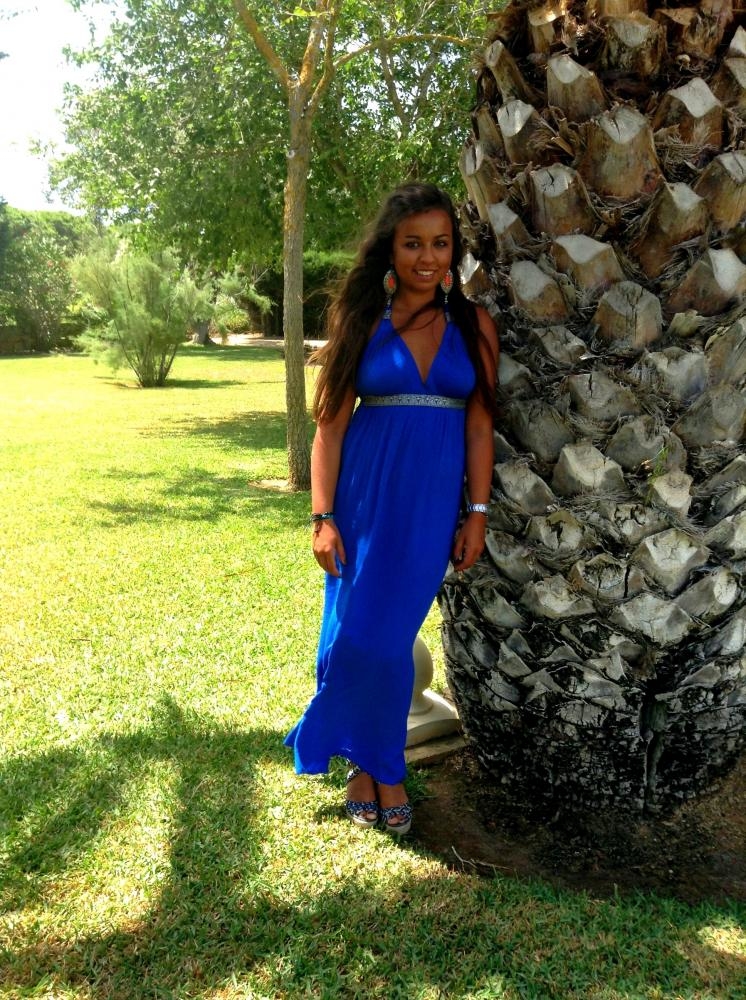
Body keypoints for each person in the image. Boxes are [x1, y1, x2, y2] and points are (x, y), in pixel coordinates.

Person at [284, 183, 499, 834]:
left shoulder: (473, 325)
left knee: (388, 636)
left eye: (441, 243)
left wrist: (478, 512)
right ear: (391, 249)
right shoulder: (362, 320)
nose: (428, 258)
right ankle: (376, 767)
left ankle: (363, 753)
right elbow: (328, 428)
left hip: (430, 508)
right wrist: (323, 518)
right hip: (363, 500)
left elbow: (480, 425)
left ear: (454, 250)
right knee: (354, 632)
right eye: (413, 244)